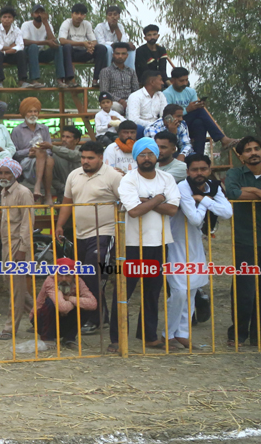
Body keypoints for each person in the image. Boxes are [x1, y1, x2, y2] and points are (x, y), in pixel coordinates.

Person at [112, 137, 179, 351]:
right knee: (123, 291)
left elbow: (173, 209)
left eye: (151, 154)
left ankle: (149, 336)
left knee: (152, 291)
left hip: (159, 242)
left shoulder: (167, 178)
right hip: (132, 244)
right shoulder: (128, 180)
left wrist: (145, 201)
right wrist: (158, 199)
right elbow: (134, 211)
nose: (147, 158)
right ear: (136, 157)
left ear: (157, 156)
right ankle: (117, 339)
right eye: (142, 154)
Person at [56, 140, 123, 336]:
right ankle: (101, 316)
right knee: (84, 276)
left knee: (93, 273)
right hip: (80, 233)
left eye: (90, 158)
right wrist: (60, 225)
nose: (85, 161)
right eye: (83, 157)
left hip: (105, 232)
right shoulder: (74, 175)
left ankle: (94, 318)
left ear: (101, 158)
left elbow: (125, 201)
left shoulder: (113, 176)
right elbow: (67, 202)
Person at [167, 154, 232, 350]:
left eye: (203, 169)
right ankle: (168, 333)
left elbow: (227, 212)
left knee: (192, 289)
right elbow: (195, 219)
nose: (199, 173)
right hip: (175, 241)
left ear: (209, 170)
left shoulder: (213, 186)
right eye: (194, 170)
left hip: (195, 242)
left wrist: (203, 199)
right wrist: (206, 202)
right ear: (188, 171)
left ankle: (182, 333)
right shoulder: (183, 187)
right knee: (179, 291)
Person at [223, 137, 261, 347]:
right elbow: (232, 192)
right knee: (244, 289)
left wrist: (248, 192)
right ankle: (237, 334)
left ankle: (257, 336)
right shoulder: (235, 173)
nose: (253, 153)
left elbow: (239, 192)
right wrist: (257, 192)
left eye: (256, 148)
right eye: (248, 150)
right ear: (241, 155)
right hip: (245, 238)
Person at [0, 159, 35, 340]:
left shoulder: (23, 193)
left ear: (15, 174)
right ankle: (43, 317)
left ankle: (10, 328)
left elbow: (28, 223)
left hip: (19, 246)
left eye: (7, 173)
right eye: (1, 173)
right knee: (15, 287)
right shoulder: (4, 192)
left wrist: (23, 249)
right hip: (7, 245)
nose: (3, 176)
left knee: (16, 289)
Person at [163, 67, 238, 154]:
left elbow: (195, 109)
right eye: (181, 81)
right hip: (176, 124)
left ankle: (198, 155)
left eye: (186, 80)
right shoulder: (166, 94)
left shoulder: (191, 91)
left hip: (190, 124)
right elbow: (169, 116)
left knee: (199, 123)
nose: (185, 83)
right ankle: (222, 139)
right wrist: (187, 109)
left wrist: (197, 106)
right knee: (200, 111)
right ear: (173, 80)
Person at [33, 258, 97, 345]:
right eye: (60, 275)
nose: (63, 279)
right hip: (41, 322)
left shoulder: (78, 281)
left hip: (63, 321)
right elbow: (62, 307)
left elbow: (93, 304)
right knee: (51, 303)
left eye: (67, 275)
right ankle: (47, 338)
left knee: (86, 308)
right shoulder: (50, 281)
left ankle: (69, 338)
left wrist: (69, 298)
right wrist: (77, 302)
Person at [11, 97, 54, 202]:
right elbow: (14, 153)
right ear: (24, 113)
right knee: (47, 159)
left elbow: (49, 150)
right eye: (30, 111)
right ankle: (47, 194)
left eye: (35, 111)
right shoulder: (17, 130)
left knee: (45, 155)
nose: (33, 114)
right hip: (26, 161)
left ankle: (38, 187)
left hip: (44, 158)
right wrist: (29, 152)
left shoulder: (44, 128)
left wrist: (39, 151)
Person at [57, 3, 106, 86]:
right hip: (70, 54)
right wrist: (82, 43)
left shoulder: (87, 24)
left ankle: (95, 80)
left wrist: (90, 46)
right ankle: (69, 79)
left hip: (83, 52)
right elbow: (62, 41)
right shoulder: (66, 23)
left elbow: (94, 41)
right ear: (72, 15)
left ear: (84, 16)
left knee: (101, 48)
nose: (79, 16)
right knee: (66, 47)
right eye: (77, 13)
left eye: (82, 14)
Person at [0, 5, 31, 88]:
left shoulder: (17, 30)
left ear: (13, 19)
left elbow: (20, 46)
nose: (7, 19)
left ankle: (22, 81)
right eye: (4, 17)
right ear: (1, 19)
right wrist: (10, 47)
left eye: (9, 17)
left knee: (22, 53)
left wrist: (5, 51)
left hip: (9, 55)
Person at [20, 5, 60, 88]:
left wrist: (46, 23)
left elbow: (53, 41)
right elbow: (24, 41)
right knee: (33, 47)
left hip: (39, 53)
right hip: (28, 53)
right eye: (37, 12)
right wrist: (45, 42)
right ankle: (34, 80)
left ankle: (60, 79)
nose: (39, 15)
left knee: (58, 48)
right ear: (32, 14)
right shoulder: (26, 24)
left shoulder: (47, 25)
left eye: (42, 12)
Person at [97, 42, 138, 116]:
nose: (120, 56)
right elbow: (104, 91)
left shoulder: (131, 71)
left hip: (130, 101)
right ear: (113, 55)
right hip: (115, 102)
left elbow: (136, 90)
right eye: (117, 54)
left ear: (127, 55)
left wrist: (130, 101)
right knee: (114, 106)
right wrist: (120, 100)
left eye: (123, 54)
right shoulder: (106, 71)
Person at [95, 5, 136, 71]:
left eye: (115, 14)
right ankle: (108, 70)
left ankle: (129, 71)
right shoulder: (100, 26)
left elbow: (123, 41)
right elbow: (101, 43)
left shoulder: (120, 26)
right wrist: (115, 45)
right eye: (110, 15)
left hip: (117, 49)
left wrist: (116, 28)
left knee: (131, 50)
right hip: (104, 50)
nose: (112, 17)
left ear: (118, 16)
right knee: (109, 48)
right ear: (107, 17)